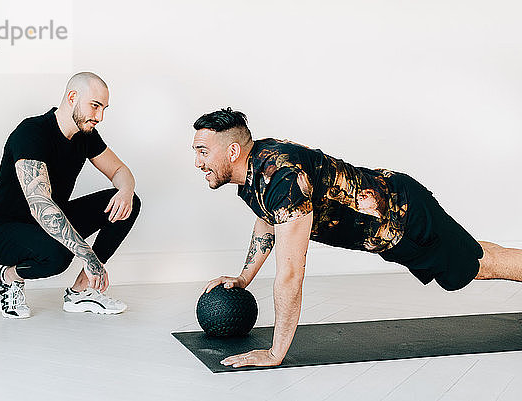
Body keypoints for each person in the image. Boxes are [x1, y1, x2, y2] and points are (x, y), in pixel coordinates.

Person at [193, 107, 522, 368]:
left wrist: (275, 352)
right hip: (390, 218)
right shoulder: (255, 171)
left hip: (403, 217)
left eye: (203, 152)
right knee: (480, 255)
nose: (198, 162)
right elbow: (268, 219)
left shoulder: (283, 179)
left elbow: (291, 274)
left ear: (233, 150)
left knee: (481, 264)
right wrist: (244, 277)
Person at [0, 72, 140, 319]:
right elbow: (40, 204)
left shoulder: (86, 136)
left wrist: (126, 191)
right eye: (95, 106)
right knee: (59, 254)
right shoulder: (31, 132)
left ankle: (81, 290)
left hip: (49, 220)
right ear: (72, 97)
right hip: (2, 229)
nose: (100, 117)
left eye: (104, 108)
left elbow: (120, 170)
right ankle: (9, 276)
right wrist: (88, 255)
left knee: (128, 202)